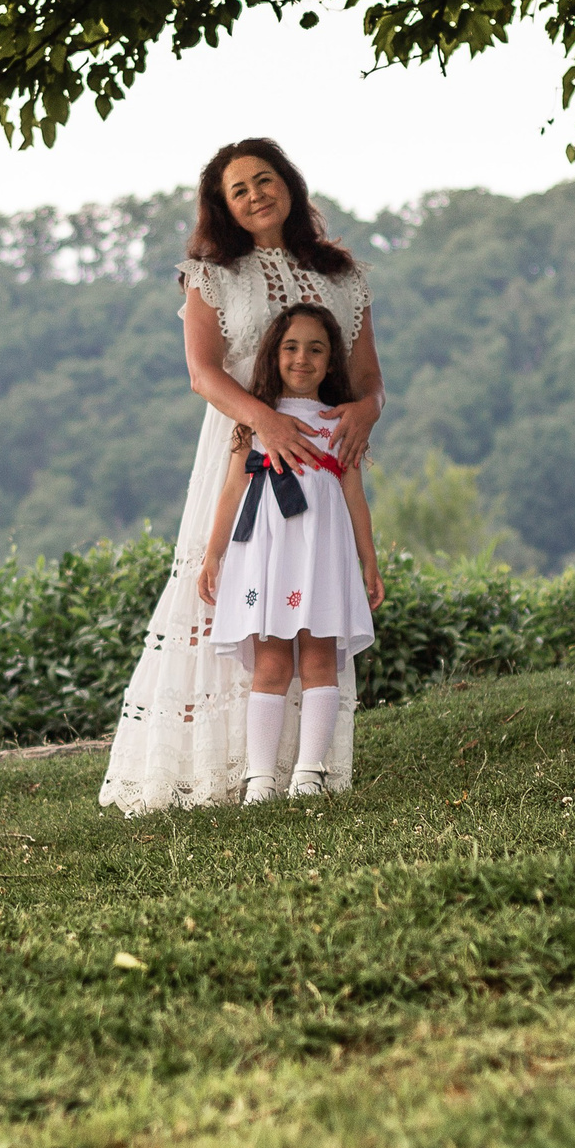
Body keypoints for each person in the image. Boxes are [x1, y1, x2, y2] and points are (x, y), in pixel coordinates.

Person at [98, 139, 384, 814]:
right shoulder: (213, 275)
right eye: (239, 189)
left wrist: (366, 413)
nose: (256, 194)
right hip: (241, 446)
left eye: (265, 179)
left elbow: (368, 376)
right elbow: (203, 373)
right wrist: (264, 422)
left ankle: (306, 767)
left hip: (322, 453)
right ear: (223, 205)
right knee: (227, 592)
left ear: (287, 183)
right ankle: (227, 768)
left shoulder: (345, 277)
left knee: (313, 610)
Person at [197, 306, 384, 801]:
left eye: (316, 349)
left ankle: (310, 772)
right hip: (267, 552)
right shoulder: (256, 419)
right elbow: (232, 491)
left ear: (330, 362)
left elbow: (354, 496)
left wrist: (369, 560)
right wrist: (214, 555)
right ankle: (260, 777)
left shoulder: (338, 422)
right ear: (274, 354)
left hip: (321, 552)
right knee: (271, 661)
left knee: (322, 656)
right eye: (291, 347)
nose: (303, 358)